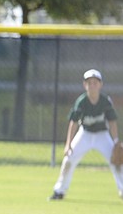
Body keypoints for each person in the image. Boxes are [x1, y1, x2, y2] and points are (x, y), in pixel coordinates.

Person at [49, 69, 123, 200]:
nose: (92, 85)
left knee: (117, 162)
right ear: (85, 85)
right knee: (69, 160)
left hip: (102, 135)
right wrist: (68, 144)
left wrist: (116, 141)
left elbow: (112, 122)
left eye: (95, 82)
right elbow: (73, 123)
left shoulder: (105, 101)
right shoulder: (81, 102)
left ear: (100, 85)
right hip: (85, 134)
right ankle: (59, 191)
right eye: (89, 82)